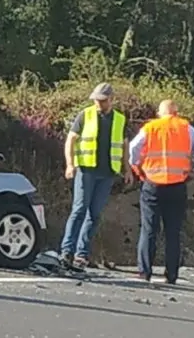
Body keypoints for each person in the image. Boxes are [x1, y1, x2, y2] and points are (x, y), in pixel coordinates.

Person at [129, 100, 194, 284]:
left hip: (152, 183)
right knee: (173, 232)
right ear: (176, 113)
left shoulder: (151, 127)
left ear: (160, 113)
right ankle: (172, 274)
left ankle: (144, 272)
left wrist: (137, 167)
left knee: (149, 229)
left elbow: (133, 147)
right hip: (177, 185)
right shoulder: (186, 128)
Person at [60, 82, 135, 269]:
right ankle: (67, 251)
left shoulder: (120, 119)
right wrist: (70, 164)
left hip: (107, 173)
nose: (98, 103)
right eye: (96, 100)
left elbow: (125, 146)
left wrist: (127, 169)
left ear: (111, 99)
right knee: (79, 210)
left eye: (102, 100)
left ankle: (81, 254)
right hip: (86, 170)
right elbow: (71, 140)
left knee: (94, 214)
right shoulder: (85, 115)